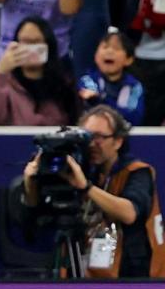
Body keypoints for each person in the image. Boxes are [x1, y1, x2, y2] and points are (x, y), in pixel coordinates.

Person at [23, 105, 163, 278]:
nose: (92, 144)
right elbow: (35, 216)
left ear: (118, 141)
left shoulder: (137, 172)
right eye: (87, 136)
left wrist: (86, 187)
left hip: (134, 273)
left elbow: (129, 213)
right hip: (89, 269)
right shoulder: (80, 170)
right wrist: (31, 183)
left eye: (100, 137)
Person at [0, 16, 80, 126]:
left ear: (48, 46)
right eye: (25, 42)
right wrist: (0, 73)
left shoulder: (64, 84)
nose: (30, 48)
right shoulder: (4, 85)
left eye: (35, 42)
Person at [78, 27, 145, 126]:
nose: (109, 51)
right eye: (105, 47)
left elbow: (134, 117)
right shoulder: (88, 80)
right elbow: (89, 99)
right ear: (95, 56)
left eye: (117, 48)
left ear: (129, 59)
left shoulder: (135, 86)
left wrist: (100, 100)